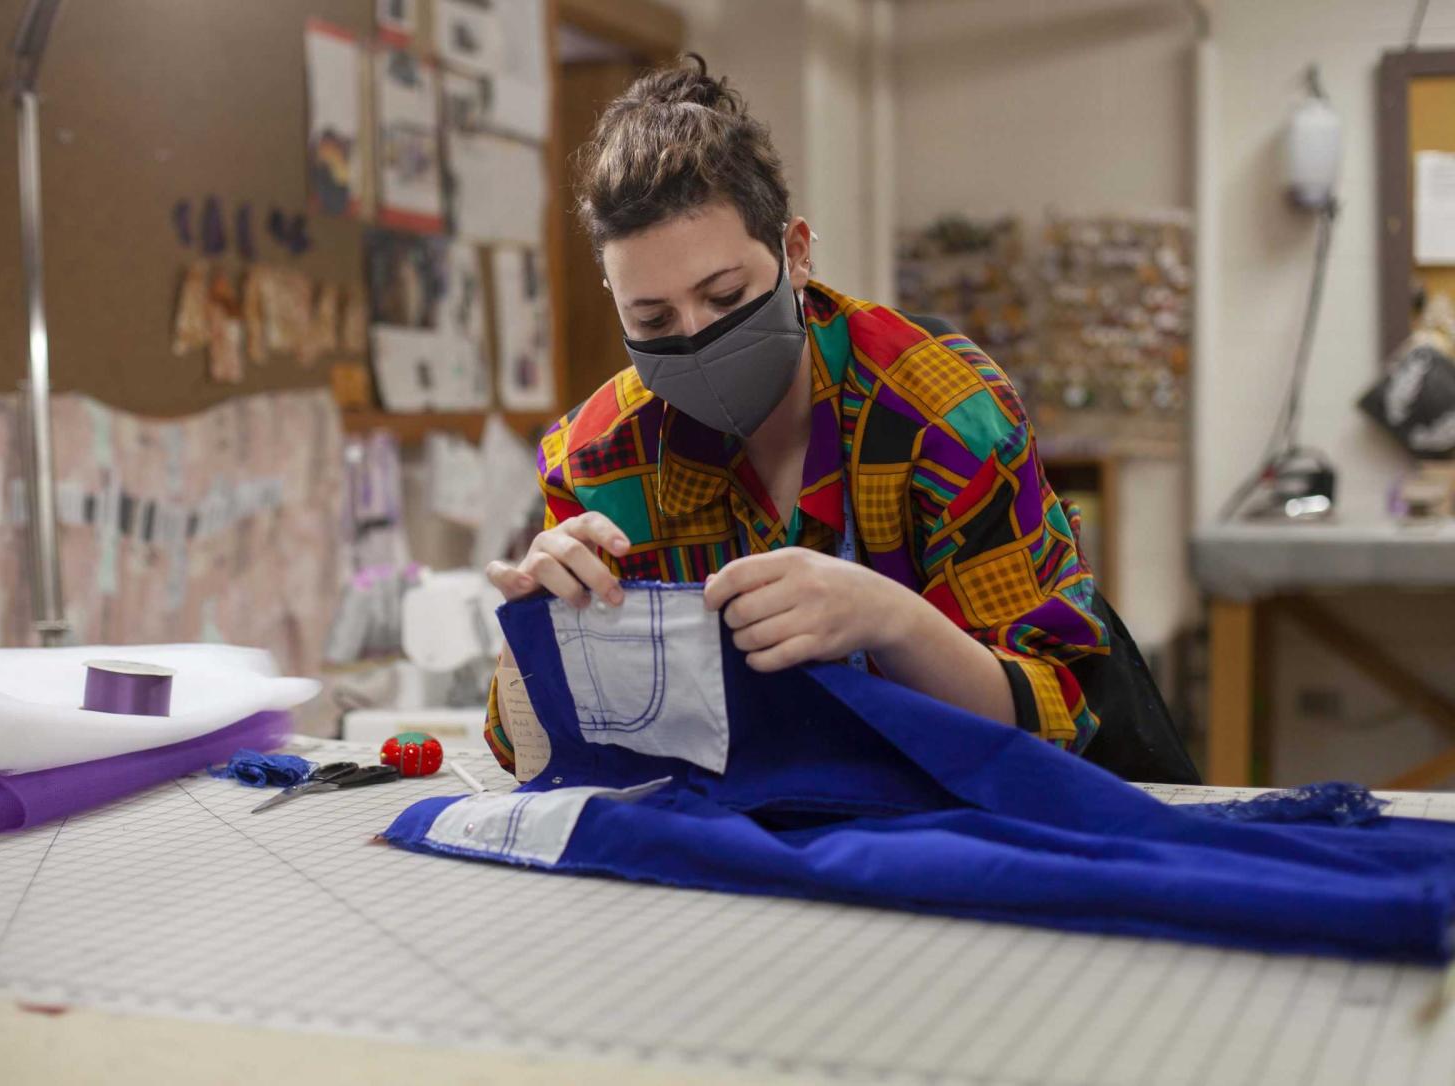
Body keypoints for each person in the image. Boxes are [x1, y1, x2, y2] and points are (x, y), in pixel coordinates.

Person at [483, 56, 1197, 784]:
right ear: (613, 297)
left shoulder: (942, 413)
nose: (695, 337)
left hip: (973, 819)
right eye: (653, 316)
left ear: (794, 253)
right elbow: (525, 755)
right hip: (757, 838)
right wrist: (537, 634)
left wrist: (895, 621)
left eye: (726, 297)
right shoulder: (598, 459)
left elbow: (1056, 718)